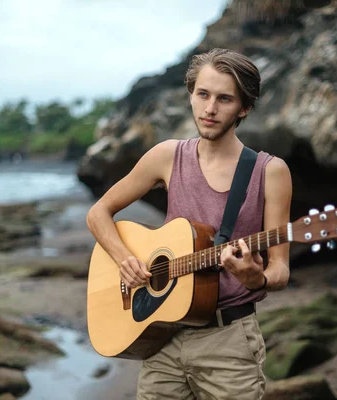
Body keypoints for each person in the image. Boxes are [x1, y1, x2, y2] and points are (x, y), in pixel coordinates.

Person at [86, 48, 292, 399]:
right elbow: (98, 213)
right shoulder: (168, 156)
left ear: (244, 108)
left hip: (228, 343)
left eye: (224, 99)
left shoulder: (270, 172)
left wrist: (255, 278)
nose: (210, 109)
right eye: (203, 94)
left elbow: (281, 270)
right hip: (163, 336)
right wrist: (124, 259)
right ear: (191, 96)